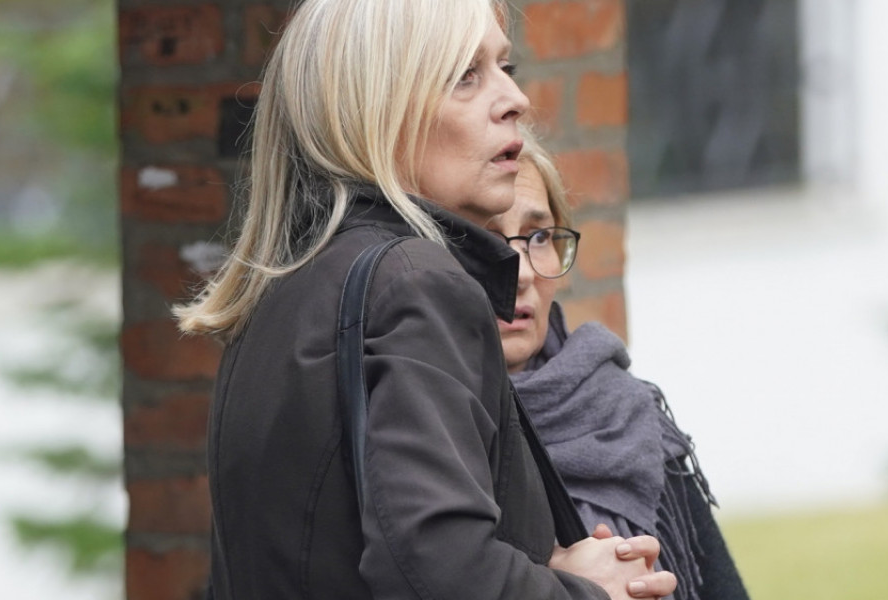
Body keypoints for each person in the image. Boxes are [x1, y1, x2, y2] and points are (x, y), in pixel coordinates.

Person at [174, 1, 678, 599]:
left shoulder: (285, 288)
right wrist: (591, 594)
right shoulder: (416, 281)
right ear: (379, 109)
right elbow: (439, 567)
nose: (515, 99)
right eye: (465, 75)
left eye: (505, 67)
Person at [487, 131, 751, 600]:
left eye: (540, 236)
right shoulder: (421, 421)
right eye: (486, 240)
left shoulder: (620, 411)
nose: (523, 271)